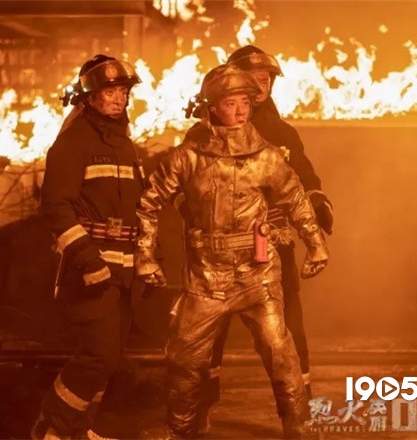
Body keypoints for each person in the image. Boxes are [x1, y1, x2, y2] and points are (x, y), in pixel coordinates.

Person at [135, 64, 329, 439]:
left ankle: (300, 427)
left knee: (280, 351)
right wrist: (144, 255)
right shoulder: (188, 157)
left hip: (258, 274)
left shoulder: (266, 157)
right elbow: (149, 202)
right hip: (206, 278)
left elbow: (296, 200)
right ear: (212, 107)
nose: (240, 111)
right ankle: (179, 431)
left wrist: (316, 245)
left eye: (245, 103)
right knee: (184, 359)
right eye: (230, 103)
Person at [186, 45, 335, 435]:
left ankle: (298, 415)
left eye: (266, 80)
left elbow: (305, 178)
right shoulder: (202, 134)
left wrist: (316, 202)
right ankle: (200, 409)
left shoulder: (282, 134)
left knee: (286, 333)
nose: (260, 86)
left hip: (271, 245)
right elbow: (184, 188)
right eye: (252, 79)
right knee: (207, 336)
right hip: (217, 254)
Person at [31, 54, 146, 440]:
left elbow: (136, 207)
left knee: (110, 359)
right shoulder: (73, 143)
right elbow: (55, 208)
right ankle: (53, 429)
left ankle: (78, 430)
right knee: (100, 356)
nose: (118, 99)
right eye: (110, 92)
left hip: (123, 271)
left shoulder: (125, 146)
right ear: (90, 98)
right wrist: (87, 260)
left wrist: (148, 257)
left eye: (123, 92)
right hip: (90, 270)